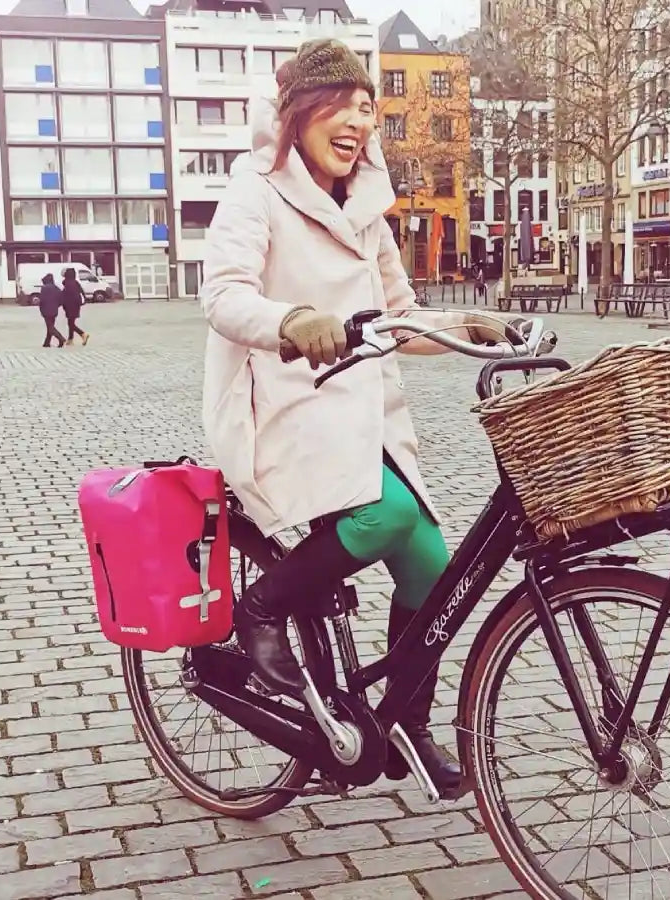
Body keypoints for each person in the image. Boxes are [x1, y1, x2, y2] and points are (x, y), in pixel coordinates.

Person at [200, 39, 517, 795]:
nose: (358, 121)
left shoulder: (368, 208)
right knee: (390, 512)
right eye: (342, 104)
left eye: (367, 107)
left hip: (362, 414)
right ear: (301, 112)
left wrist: (468, 324)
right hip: (284, 404)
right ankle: (261, 607)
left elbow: (399, 318)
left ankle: (405, 718)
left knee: (433, 570)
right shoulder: (254, 189)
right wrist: (293, 320)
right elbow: (223, 296)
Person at [61, 268, 89, 346]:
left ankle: (83, 334)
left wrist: (64, 304)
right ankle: (70, 340)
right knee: (71, 322)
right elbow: (81, 292)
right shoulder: (75, 282)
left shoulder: (68, 283)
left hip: (70, 306)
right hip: (75, 306)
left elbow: (66, 296)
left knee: (71, 323)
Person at [38, 273, 65, 348]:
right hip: (54, 310)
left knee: (50, 327)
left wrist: (41, 308)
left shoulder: (44, 288)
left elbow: (42, 300)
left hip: (46, 310)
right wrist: (57, 305)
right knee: (50, 327)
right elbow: (61, 299)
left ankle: (61, 338)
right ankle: (47, 343)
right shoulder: (56, 288)